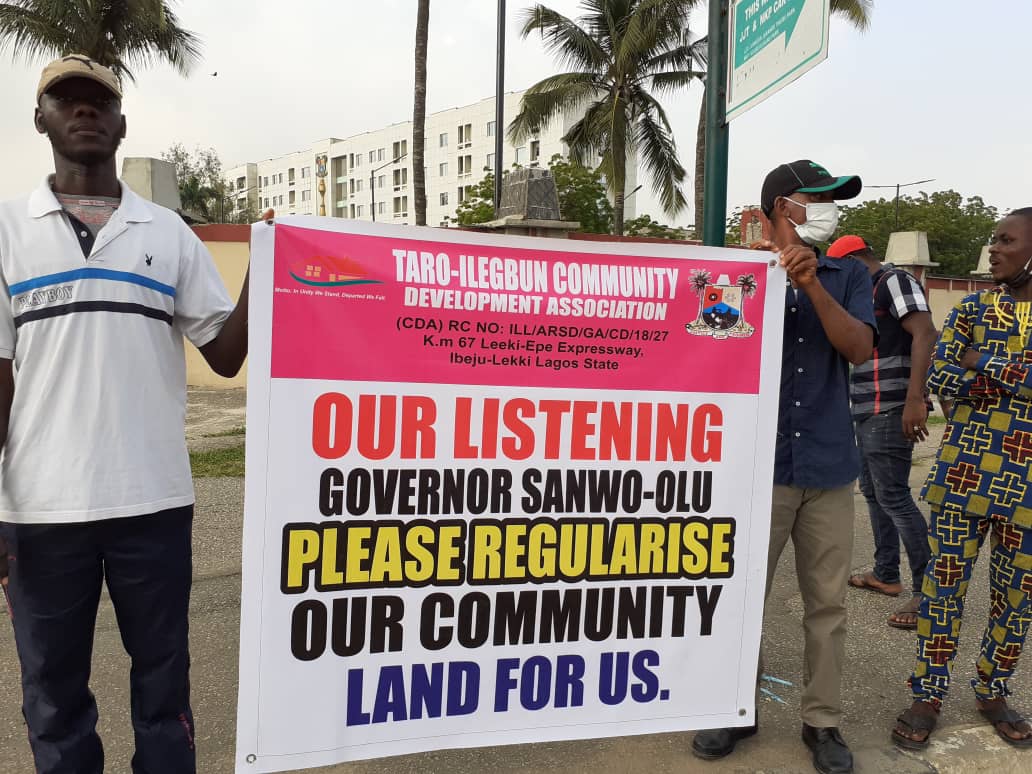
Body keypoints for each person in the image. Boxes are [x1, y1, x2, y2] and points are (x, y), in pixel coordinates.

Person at [0, 55, 259, 773]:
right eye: (67, 99)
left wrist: (268, 267)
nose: (84, 111)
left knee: (163, 689)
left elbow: (226, 355)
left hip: (153, 504)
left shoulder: (167, 232)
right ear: (41, 119)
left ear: (121, 123)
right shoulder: (6, 232)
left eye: (99, 102)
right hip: (41, 512)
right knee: (52, 697)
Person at [691, 160, 875, 774]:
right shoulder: (732, 274)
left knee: (828, 605)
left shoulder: (847, 274)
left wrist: (812, 286)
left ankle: (821, 723)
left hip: (826, 466)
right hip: (753, 470)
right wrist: (752, 277)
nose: (825, 210)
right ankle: (732, 707)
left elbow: (858, 348)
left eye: (831, 200)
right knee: (741, 599)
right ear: (777, 208)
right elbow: (702, 351)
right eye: (812, 200)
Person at [892, 208, 1032, 750]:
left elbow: (968, 372)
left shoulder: (976, 324)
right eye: (993, 238)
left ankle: (993, 691)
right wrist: (1005, 368)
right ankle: (927, 693)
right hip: (964, 477)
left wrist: (984, 361)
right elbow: (945, 373)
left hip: (1026, 487)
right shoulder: (974, 305)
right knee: (942, 591)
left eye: (1006, 240)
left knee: (1015, 598)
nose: (993, 248)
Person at [827, 235, 937, 630]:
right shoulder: (862, 293)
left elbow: (925, 333)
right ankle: (886, 573)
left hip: (891, 405)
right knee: (874, 493)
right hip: (866, 406)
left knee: (893, 494)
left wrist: (916, 398)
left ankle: (929, 589)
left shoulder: (893, 281)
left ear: (856, 259)